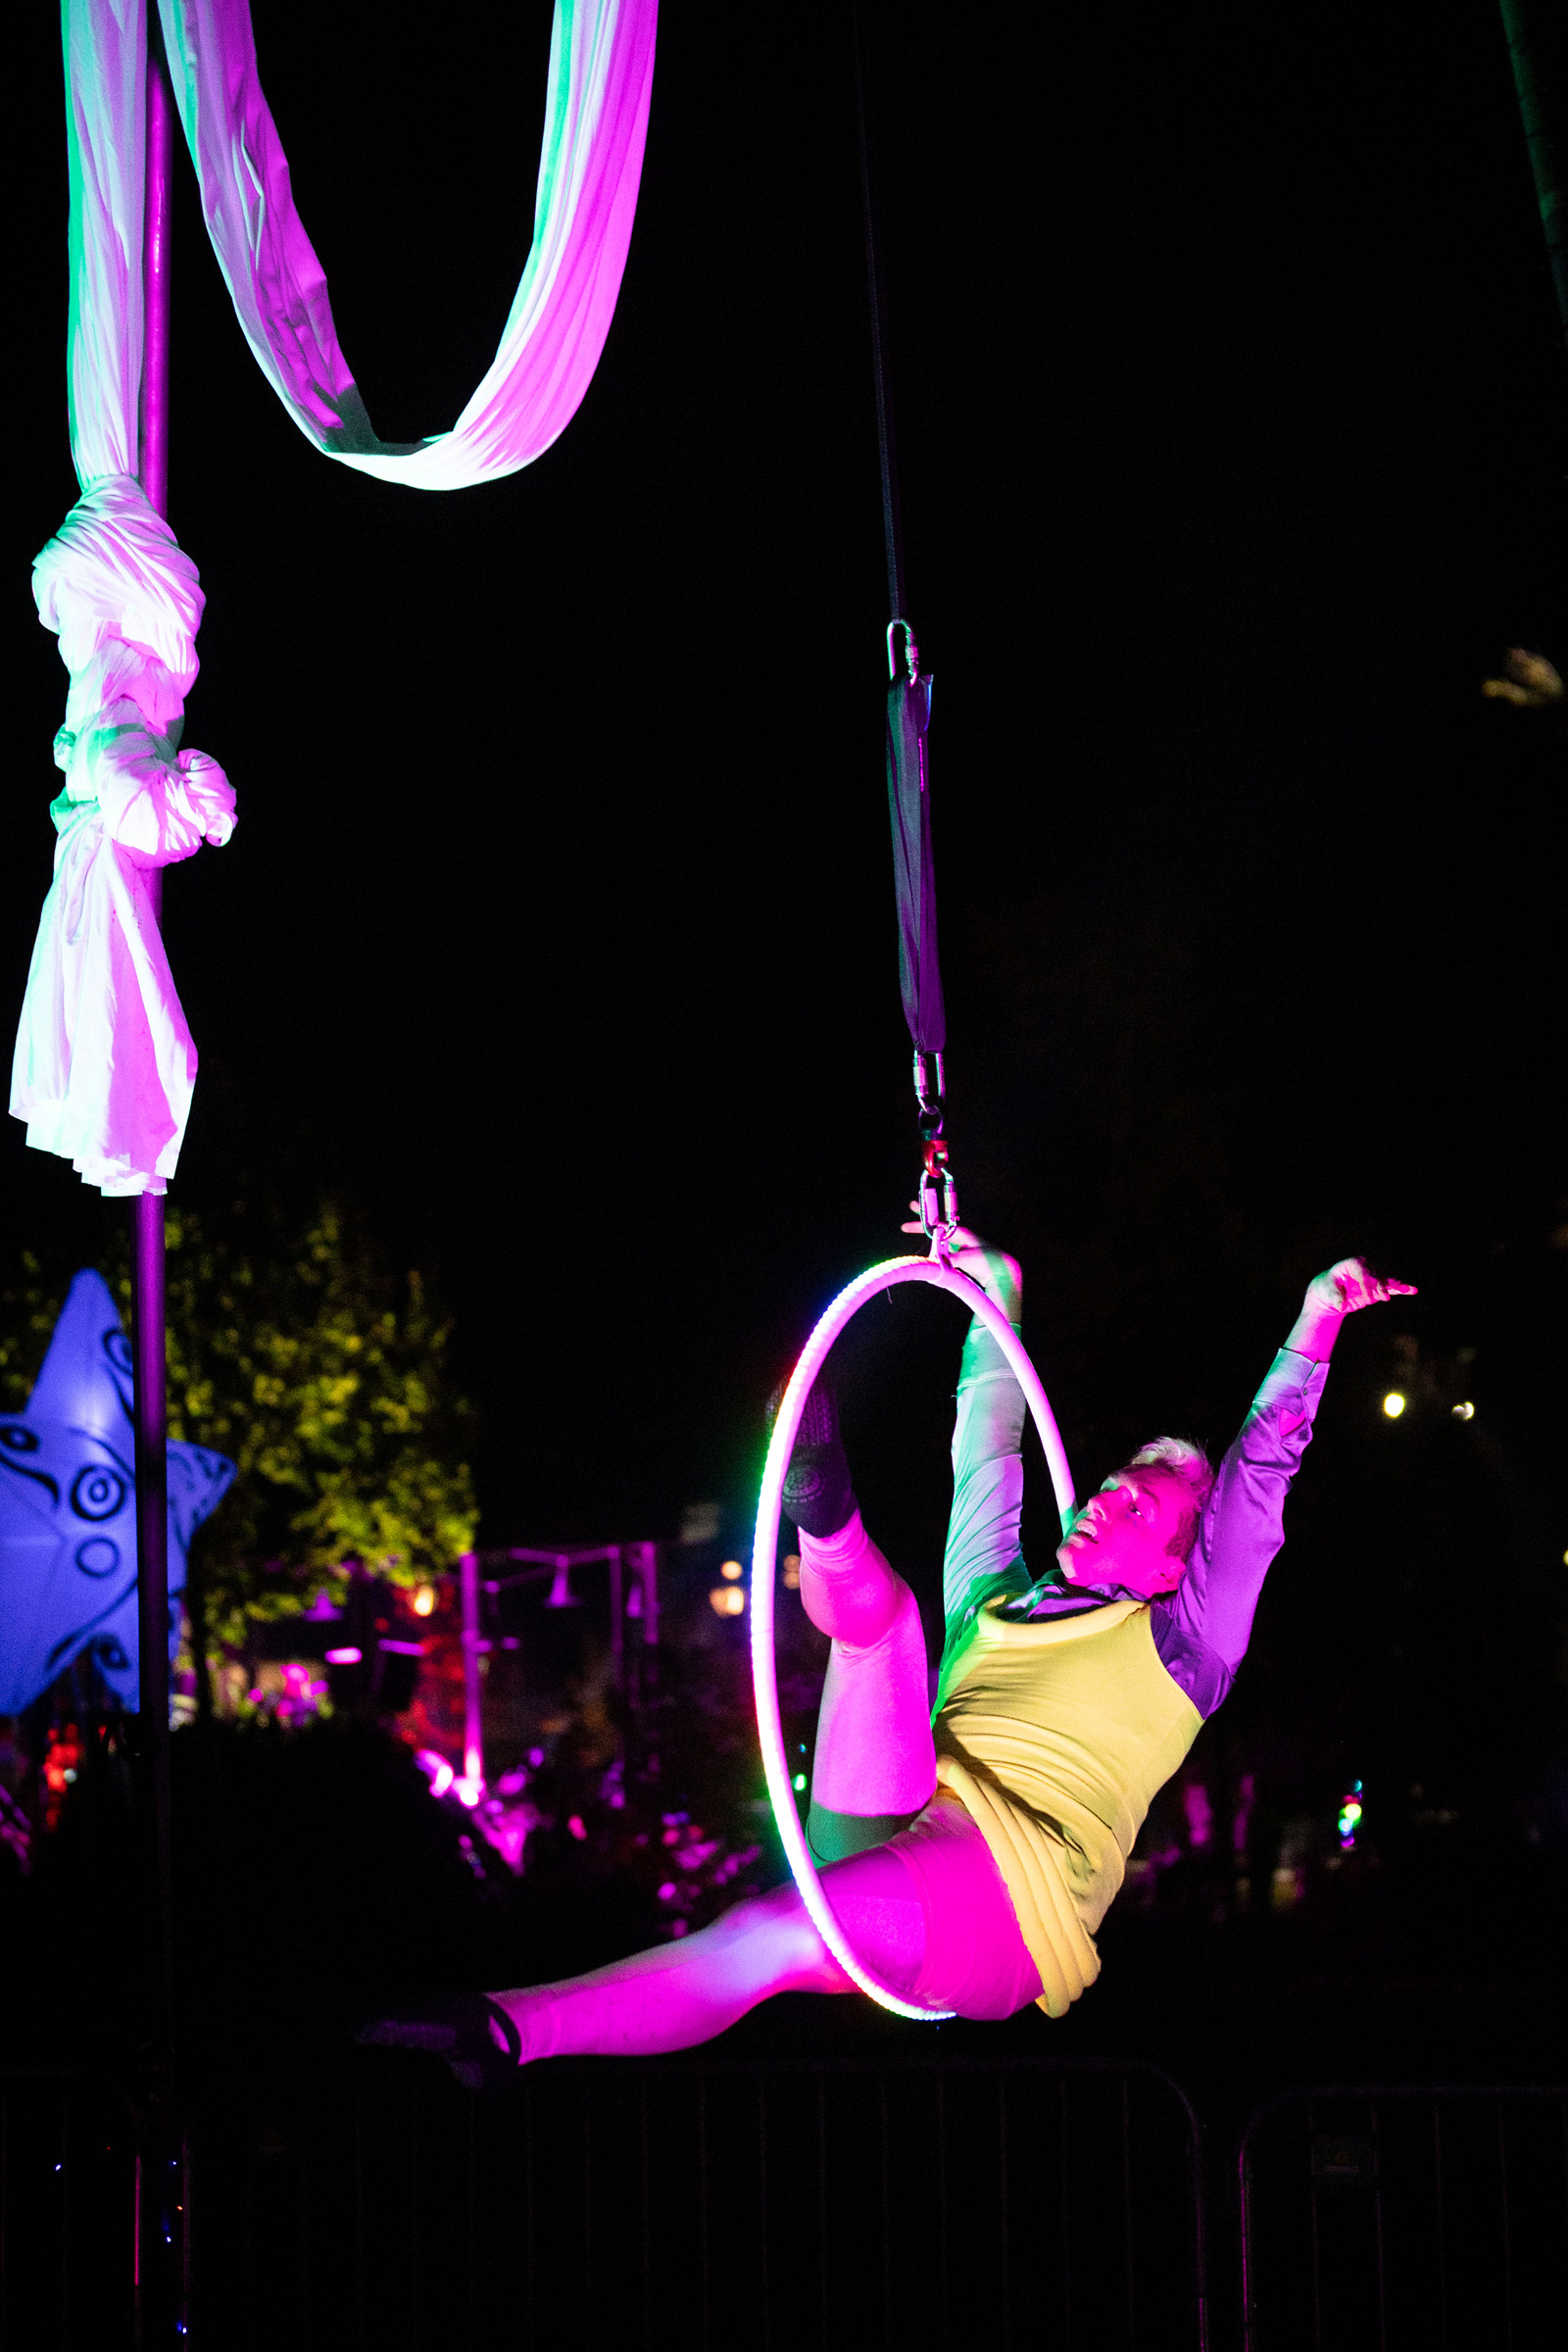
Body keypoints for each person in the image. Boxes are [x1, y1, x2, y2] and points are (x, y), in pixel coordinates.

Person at [361, 1242, 1413, 2088]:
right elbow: (985, 1445)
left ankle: (498, 2029)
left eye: (1140, 1504)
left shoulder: (1183, 1647)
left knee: (766, 1933)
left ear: (1175, 1566)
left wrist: (1315, 1321)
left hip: (1006, 1901)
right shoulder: (998, 1596)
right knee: (888, 1628)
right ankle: (821, 1503)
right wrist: (991, 1293)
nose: (1105, 1496)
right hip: (899, 1813)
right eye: (1112, 1480)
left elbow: (1257, 1485)